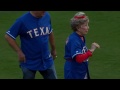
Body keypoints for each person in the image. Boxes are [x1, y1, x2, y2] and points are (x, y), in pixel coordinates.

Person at [5, 11, 57, 79]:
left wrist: (53, 49)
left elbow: (50, 32)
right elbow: (8, 36)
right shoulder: (22, 21)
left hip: (46, 59)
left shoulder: (47, 16)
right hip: (29, 61)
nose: (44, 12)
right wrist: (19, 52)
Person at [64, 12, 100, 79]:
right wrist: (90, 51)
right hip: (74, 72)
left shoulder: (81, 37)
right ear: (78, 27)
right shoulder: (74, 40)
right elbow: (78, 58)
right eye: (86, 25)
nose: (88, 27)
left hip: (81, 70)